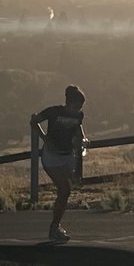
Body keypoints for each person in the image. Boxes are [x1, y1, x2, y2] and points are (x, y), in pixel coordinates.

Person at [30, 84, 87, 242]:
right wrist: (44, 138)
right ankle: (54, 228)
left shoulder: (78, 115)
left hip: (68, 155)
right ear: (69, 102)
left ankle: (56, 225)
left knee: (65, 192)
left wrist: (83, 138)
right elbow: (34, 121)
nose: (78, 109)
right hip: (52, 156)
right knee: (64, 189)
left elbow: (78, 127)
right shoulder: (54, 111)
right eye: (76, 106)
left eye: (80, 107)